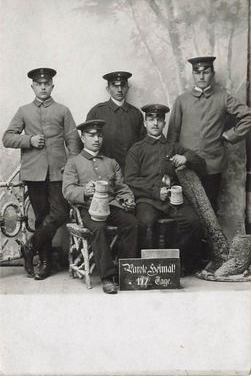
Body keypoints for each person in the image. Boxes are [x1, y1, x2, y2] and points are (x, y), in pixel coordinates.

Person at [2, 68, 83, 280]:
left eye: (47, 83)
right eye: (39, 84)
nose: (43, 87)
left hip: (59, 172)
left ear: (53, 86)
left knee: (60, 213)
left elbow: (73, 140)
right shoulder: (23, 111)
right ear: (33, 87)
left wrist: (73, 165)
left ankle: (30, 247)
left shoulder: (63, 110)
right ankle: (45, 263)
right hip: (34, 173)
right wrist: (28, 140)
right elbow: (7, 138)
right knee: (41, 217)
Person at [125, 104, 206, 275]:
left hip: (172, 200)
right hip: (147, 200)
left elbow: (200, 162)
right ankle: (148, 268)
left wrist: (185, 158)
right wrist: (155, 191)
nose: (155, 123)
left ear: (164, 123)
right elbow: (130, 180)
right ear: (145, 123)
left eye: (159, 120)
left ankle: (177, 264)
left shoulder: (173, 147)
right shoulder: (137, 149)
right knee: (146, 223)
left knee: (193, 222)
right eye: (151, 119)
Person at [62, 119, 138, 294]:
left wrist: (127, 199)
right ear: (82, 137)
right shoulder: (74, 162)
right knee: (98, 227)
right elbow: (67, 190)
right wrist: (84, 191)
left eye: (100, 135)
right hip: (87, 209)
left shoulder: (111, 162)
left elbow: (121, 187)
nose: (97, 139)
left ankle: (124, 271)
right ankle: (107, 277)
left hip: (111, 206)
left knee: (132, 223)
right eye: (92, 135)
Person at [167, 56, 251, 211]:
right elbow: (173, 134)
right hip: (185, 165)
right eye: (197, 72)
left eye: (205, 72)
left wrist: (230, 135)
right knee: (186, 211)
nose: (201, 76)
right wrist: (170, 164)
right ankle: (192, 237)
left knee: (210, 210)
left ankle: (208, 236)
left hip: (212, 166)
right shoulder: (182, 100)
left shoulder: (223, 97)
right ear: (192, 75)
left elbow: (248, 116)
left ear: (212, 73)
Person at [86, 71, 145, 172]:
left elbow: (143, 145)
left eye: (123, 85)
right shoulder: (97, 112)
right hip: (104, 170)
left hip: (132, 171)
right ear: (108, 89)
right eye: (115, 86)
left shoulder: (136, 114)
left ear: (128, 88)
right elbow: (87, 144)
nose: (119, 89)